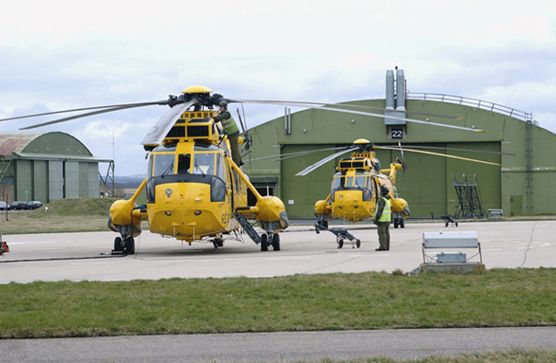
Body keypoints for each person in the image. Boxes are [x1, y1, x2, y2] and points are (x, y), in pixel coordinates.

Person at [213, 100, 243, 166]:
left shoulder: (226, 114)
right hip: (231, 133)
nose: (219, 108)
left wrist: (211, 119)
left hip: (233, 132)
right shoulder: (223, 114)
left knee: (233, 148)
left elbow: (218, 118)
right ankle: (240, 161)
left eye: (220, 107)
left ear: (224, 107)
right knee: (235, 146)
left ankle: (236, 164)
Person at [373, 185, 392, 251]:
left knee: (381, 234)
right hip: (387, 219)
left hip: (382, 220)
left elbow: (380, 210)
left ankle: (382, 246)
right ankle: (387, 246)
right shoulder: (388, 199)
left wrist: (376, 218)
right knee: (386, 233)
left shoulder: (382, 200)